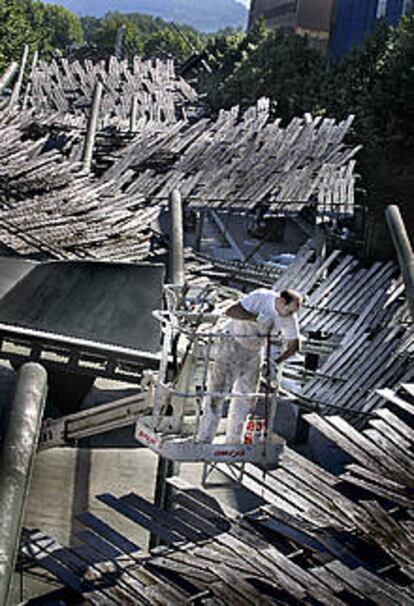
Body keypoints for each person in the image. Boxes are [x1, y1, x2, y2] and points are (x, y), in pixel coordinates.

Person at [197, 288, 302, 444]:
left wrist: (275, 362)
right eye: (289, 310)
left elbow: (294, 346)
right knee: (217, 395)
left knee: (246, 398)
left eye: (293, 312)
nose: (290, 315)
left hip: (254, 351)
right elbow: (231, 311)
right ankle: (204, 439)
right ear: (280, 301)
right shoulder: (261, 297)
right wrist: (255, 318)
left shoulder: (288, 317)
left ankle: (233, 440)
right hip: (233, 344)